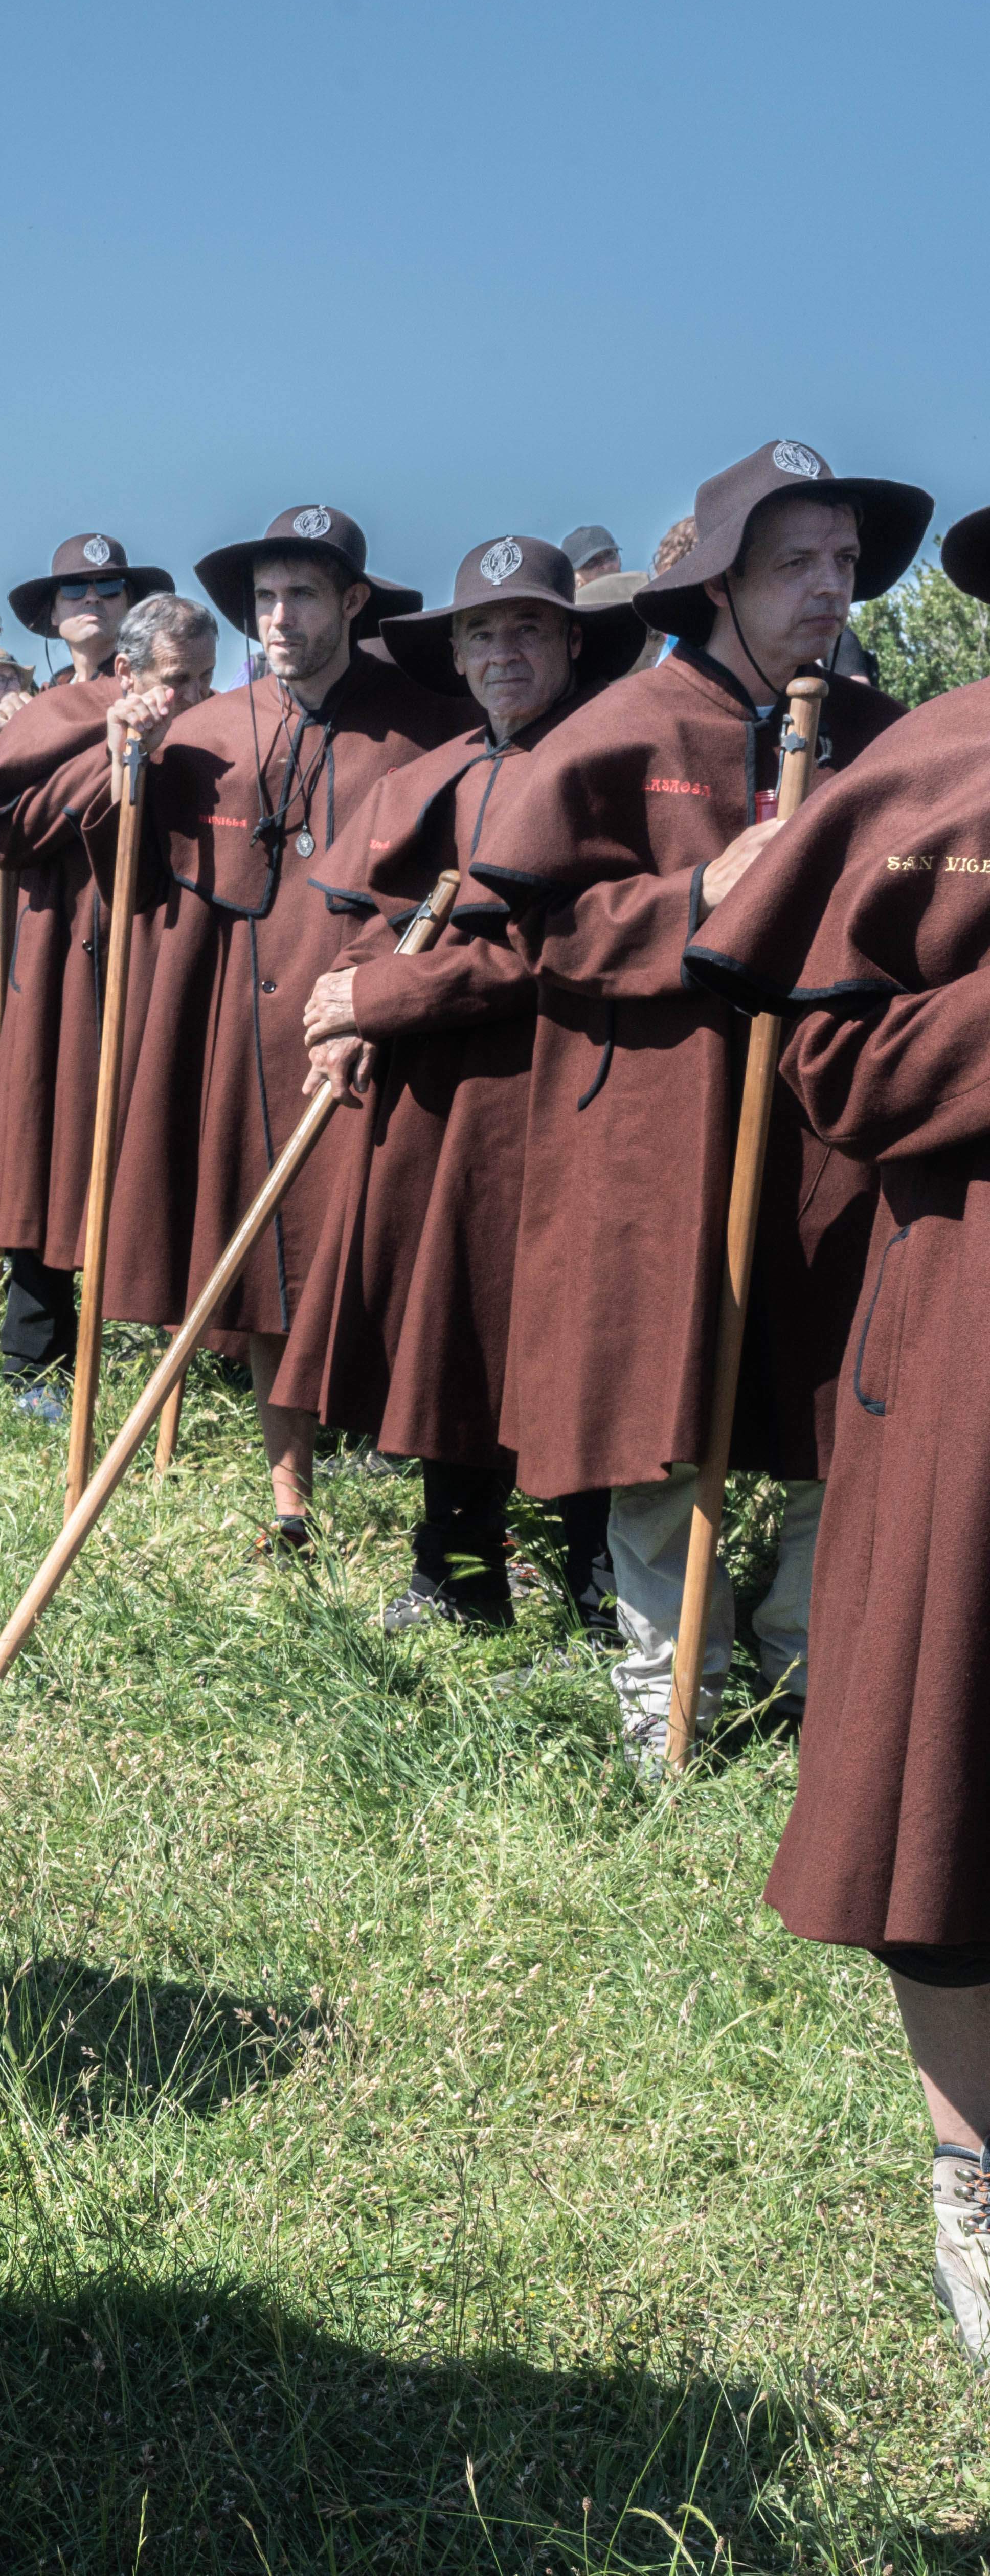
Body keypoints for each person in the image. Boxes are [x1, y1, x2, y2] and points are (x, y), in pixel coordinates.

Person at [477, 441, 923, 1760]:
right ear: (724, 579)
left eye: (845, 562)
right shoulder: (625, 726)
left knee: (827, 1402)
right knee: (661, 1412)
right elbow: (541, 930)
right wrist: (699, 895)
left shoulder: (880, 741)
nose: (831, 589)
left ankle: (805, 1677)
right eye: (798, 563)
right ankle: (670, 1703)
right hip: (655, 1130)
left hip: (821, 1130)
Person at [684, 535, 990, 2359]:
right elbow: (830, 1067)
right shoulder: (930, 765)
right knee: (950, 1763)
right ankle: (970, 2159)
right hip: (966, 1331)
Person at [57, 510, 476, 1544]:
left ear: (350, 603)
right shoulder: (206, 726)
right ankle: (288, 1493)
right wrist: (130, 770)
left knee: (379, 1248)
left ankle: (417, 1469)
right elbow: (130, 875)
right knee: (257, 1255)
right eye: (264, 599)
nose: (279, 618)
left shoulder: (426, 727)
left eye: (301, 595)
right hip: (245, 1028)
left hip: (376, 1021)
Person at [271, 541, 639, 1632]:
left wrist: (381, 1000)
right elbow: (380, 918)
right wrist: (342, 999)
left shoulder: (603, 763)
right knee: (452, 1327)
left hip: (564, 1094)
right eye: (480, 633)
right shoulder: (445, 773)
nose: (501, 652)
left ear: (572, 640)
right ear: (458, 654)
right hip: (443, 1110)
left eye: (526, 628)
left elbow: (558, 945)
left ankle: (596, 1581)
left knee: (562, 1333)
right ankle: (459, 1572)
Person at [0, 534, 172, 1413]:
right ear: (52, 616)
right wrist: (106, 762)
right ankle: (35, 1347)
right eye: (73, 589)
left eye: (108, 584)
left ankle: (156, 1328)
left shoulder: (177, 696)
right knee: (42, 1121)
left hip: (152, 929)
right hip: (55, 944)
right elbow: (0, 823)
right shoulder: (40, 712)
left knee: (148, 1118)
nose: (90, 597)